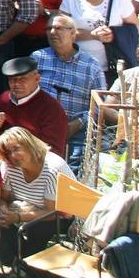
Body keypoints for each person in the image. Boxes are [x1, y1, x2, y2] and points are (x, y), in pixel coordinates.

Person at [32, 14, 105, 171]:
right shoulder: (38, 58)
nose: (52, 32)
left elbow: (101, 105)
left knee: (71, 174)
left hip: (76, 131)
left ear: (73, 34)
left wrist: (78, 124)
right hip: (40, 129)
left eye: (58, 28)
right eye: (48, 28)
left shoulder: (91, 66)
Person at [0, 126, 70, 264]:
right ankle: (13, 262)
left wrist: (17, 217)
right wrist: (3, 209)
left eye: (16, 149)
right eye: (8, 152)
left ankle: (30, 265)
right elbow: (4, 198)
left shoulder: (52, 168)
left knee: (38, 228)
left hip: (58, 216)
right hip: (26, 207)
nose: (13, 156)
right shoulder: (9, 166)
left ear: (29, 144)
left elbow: (52, 212)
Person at [0, 56, 68, 158]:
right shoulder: (3, 99)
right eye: (12, 80)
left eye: (23, 79)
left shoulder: (51, 109)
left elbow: (53, 152)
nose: (17, 84)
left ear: (37, 79)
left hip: (30, 168)